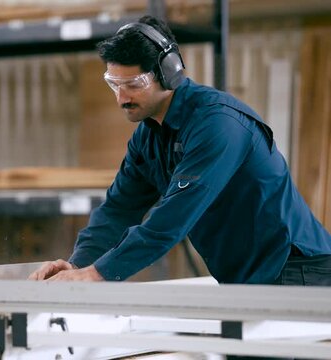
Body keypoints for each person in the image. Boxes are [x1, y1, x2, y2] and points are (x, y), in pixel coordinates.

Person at [29, 15, 331, 286]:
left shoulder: (217, 124)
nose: (121, 98)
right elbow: (118, 209)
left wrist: (97, 274)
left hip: (297, 270)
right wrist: (77, 264)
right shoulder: (148, 137)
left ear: (169, 73)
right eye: (114, 84)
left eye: (133, 84)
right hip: (250, 276)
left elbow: (170, 221)